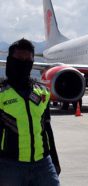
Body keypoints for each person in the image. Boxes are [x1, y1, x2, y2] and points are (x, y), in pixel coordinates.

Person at [0, 39, 60, 185]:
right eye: (19, 58)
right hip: (10, 165)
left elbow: (47, 129)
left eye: (28, 59)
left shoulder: (42, 93)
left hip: (43, 164)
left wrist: (54, 160)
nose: (24, 62)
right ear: (10, 60)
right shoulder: (1, 94)